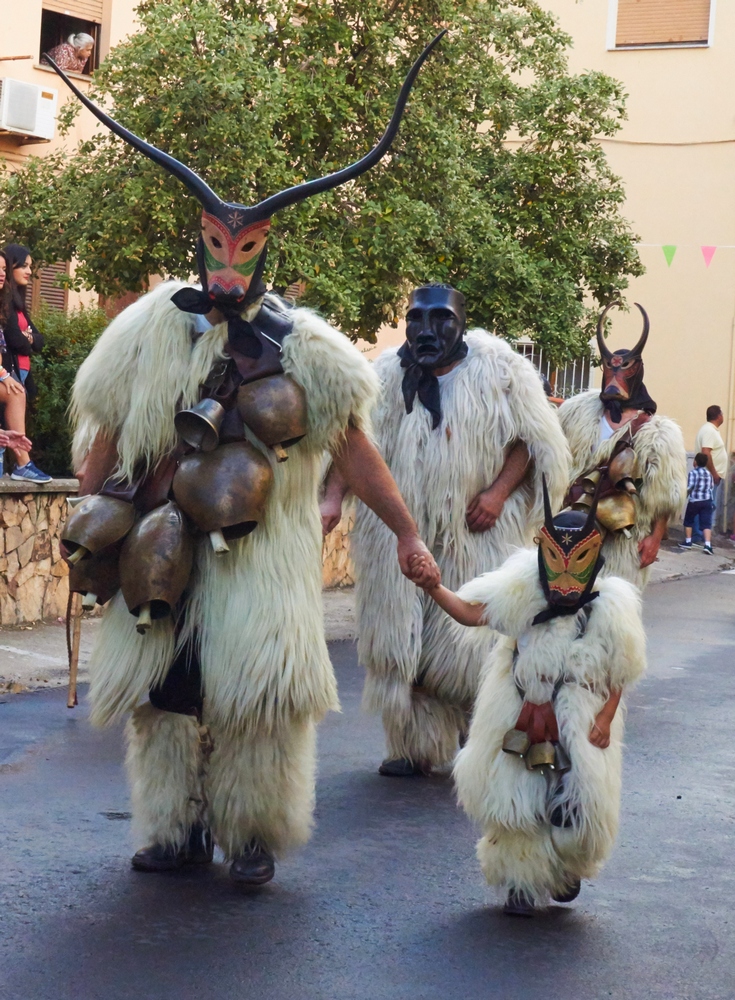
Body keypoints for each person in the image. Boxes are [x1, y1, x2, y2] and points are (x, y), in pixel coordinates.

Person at [50, 37, 443, 884]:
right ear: (200, 240)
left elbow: (354, 449)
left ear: (265, 246)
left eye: (245, 248)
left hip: (262, 560)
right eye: (216, 246)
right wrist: (86, 528)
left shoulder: (308, 350)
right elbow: (111, 432)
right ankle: (169, 828)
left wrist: (406, 533)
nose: (228, 264)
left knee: (258, 700)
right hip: (161, 539)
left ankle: (253, 831)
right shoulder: (148, 330)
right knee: (162, 697)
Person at [321, 283, 570, 777]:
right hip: (392, 532)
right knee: (398, 639)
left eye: (440, 319)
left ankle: (473, 737)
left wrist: (497, 493)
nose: (426, 330)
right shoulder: (385, 374)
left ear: (460, 322)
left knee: (467, 637)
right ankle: (411, 744)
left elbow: (533, 439)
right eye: (415, 319)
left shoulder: (498, 369)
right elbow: (353, 443)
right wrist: (331, 496)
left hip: (473, 531)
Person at [409, 482, 646, 916]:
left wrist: (606, 718)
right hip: (519, 710)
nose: (567, 575)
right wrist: (433, 587)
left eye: (579, 562)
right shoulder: (521, 591)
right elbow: (470, 612)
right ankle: (520, 880)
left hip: (578, 716)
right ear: (543, 554)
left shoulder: (611, 608)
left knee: (574, 800)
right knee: (515, 800)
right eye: (557, 561)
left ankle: (566, 865)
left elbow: (622, 670)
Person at [558, 302, 686, 589]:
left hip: (623, 541)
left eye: (624, 367)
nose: (615, 374)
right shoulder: (576, 414)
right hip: (570, 530)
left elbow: (664, 496)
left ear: (636, 371)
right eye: (609, 367)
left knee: (612, 614)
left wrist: (654, 540)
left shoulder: (658, 432)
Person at [0, 249, 46, 480]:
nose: (29, 272)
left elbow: (40, 340)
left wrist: (29, 338)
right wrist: (27, 338)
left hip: (16, 374)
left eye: (3, 269)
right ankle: (22, 465)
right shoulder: (6, 301)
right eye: (24, 266)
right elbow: (17, 341)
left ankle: (20, 465)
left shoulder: (16, 301)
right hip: (8, 373)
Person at [695, 406, 727, 534]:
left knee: (705, 505)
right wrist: (714, 473)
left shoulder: (710, 430)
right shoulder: (709, 430)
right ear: (718, 416)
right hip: (709, 476)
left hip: (709, 476)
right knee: (704, 506)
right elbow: (706, 452)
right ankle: (698, 534)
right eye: (722, 413)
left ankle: (700, 533)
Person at [679, 453, 714, 554]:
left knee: (689, 521)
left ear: (695, 462)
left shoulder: (693, 473)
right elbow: (711, 487)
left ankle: (688, 541)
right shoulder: (709, 474)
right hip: (707, 501)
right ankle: (708, 545)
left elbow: (690, 487)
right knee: (706, 523)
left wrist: (684, 496)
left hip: (695, 501)